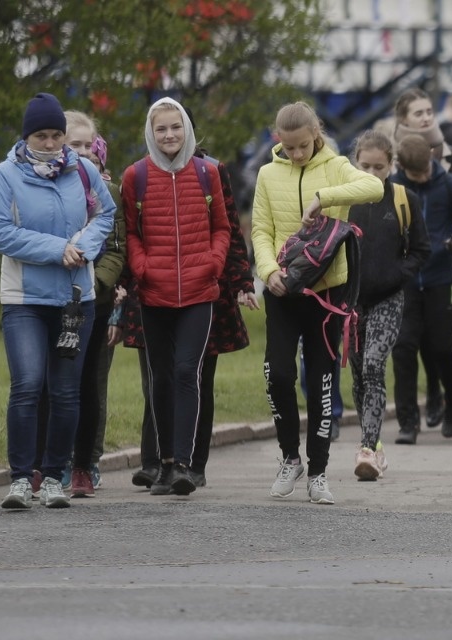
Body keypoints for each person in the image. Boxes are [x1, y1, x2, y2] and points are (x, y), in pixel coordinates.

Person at [113, 106, 258, 492]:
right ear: (150, 132)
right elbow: (130, 232)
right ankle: (162, 464)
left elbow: (223, 225)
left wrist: (214, 264)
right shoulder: (136, 176)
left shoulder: (207, 172)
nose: (169, 135)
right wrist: (140, 268)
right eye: (161, 129)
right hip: (154, 291)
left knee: (185, 372)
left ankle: (184, 464)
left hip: (199, 291)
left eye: (176, 127)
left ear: (188, 129)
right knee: (159, 378)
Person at [0, 92, 116, 509]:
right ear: (27, 137)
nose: (50, 143)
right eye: (41, 135)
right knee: (26, 385)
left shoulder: (82, 172)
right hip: (24, 299)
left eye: (56, 135)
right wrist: (57, 248)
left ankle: (56, 475)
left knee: (65, 392)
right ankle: (22, 478)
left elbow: (105, 215)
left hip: (75, 299)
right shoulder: (7, 174)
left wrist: (85, 246)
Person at [251, 101, 382, 505]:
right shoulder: (267, 174)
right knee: (278, 375)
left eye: (303, 146)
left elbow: (373, 188)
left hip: (327, 293)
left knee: (322, 381)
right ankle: (290, 457)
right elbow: (260, 228)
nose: (297, 154)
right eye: (289, 148)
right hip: (283, 290)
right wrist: (268, 269)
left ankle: (319, 471)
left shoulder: (336, 165)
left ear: (316, 133)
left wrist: (324, 197)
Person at [390, 134, 452, 444]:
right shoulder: (393, 187)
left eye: (428, 168)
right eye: (417, 173)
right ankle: (408, 421)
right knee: (404, 348)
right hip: (405, 281)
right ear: (401, 167)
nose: (425, 176)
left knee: (442, 346)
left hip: (440, 278)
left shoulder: (447, 184)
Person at [347, 130, 430, 480]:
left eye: (378, 167)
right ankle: (376, 443)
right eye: (364, 166)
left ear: (391, 165)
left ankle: (366, 449)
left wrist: (399, 274)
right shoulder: (344, 200)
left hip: (388, 299)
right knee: (357, 377)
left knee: (374, 366)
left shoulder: (402, 198)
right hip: (350, 302)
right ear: (354, 163)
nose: (370, 173)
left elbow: (422, 249)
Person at [388, 88, 452, 428]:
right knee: (408, 341)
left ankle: (440, 394)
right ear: (403, 119)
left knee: (439, 340)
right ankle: (417, 410)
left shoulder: (447, 155)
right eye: (417, 113)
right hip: (405, 266)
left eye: (429, 111)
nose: (426, 117)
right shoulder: (390, 156)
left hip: (437, 262)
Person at [63, 113, 126, 498]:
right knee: (52, 384)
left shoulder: (107, 192)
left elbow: (117, 249)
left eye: (89, 146)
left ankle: (87, 461)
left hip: (96, 301)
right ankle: (50, 458)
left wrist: (94, 282)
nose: (84, 152)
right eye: (75, 145)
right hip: (53, 299)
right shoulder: (46, 186)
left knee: (92, 386)